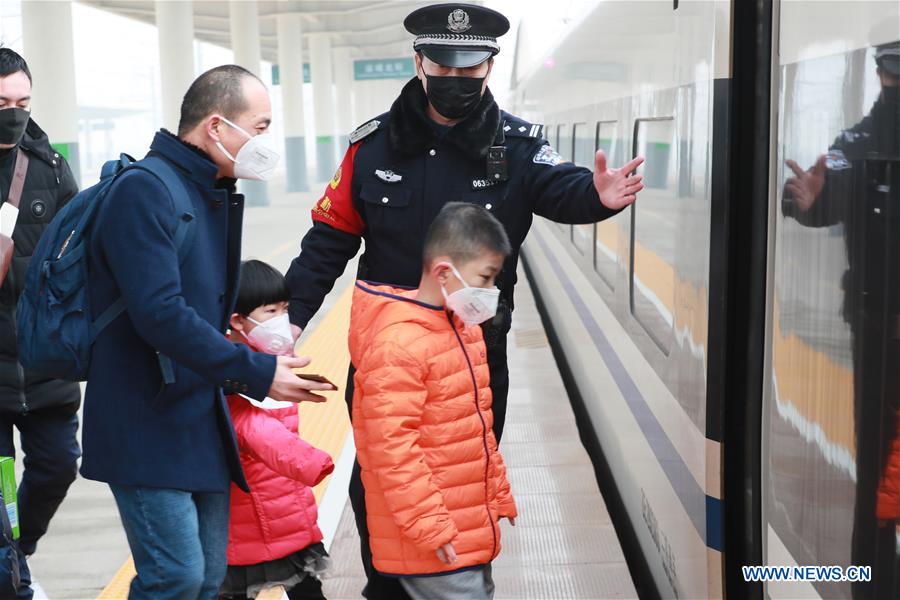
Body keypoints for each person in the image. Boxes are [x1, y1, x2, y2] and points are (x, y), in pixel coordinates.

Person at [284, 4, 644, 596]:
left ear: (489, 68)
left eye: (469, 70)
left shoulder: (520, 145)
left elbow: (565, 190)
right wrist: (292, 320)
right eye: (443, 67)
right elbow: (329, 239)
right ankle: (388, 586)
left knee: (465, 479)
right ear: (419, 62)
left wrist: (598, 197)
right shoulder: (372, 149)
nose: (456, 81)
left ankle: (465, 579)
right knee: (378, 479)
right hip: (386, 354)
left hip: (476, 354)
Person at [80, 65, 334, 600]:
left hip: (198, 414)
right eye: (260, 127)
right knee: (175, 577)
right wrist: (257, 372)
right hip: (144, 420)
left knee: (210, 578)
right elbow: (160, 314)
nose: (266, 141)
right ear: (218, 127)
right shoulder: (145, 191)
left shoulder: (208, 189)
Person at [349, 203, 517, 600]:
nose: (490, 292)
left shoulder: (462, 330)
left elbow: (475, 428)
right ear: (444, 272)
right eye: (485, 278)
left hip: (466, 523)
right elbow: (393, 450)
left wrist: (497, 493)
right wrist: (429, 524)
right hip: (432, 536)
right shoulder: (398, 345)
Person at [783, 39, 899, 598]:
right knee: (879, 473)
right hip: (881, 331)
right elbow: (828, 198)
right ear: (881, 76)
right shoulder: (855, 144)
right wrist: (806, 204)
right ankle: (871, 582)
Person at [0, 48, 81, 598]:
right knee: (2, 495)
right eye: (1, 102)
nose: (14, 113)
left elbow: (78, 247)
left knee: (57, 468)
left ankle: (16, 554)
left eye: (23, 102)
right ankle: (12, 575)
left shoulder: (49, 166)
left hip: (42, 357)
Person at [220, 260, 334, 600]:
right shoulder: (227, 370)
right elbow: (251, 426)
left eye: (285, 309)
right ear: (237, 320)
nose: (282, 320)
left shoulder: (278, 363)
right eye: (271, 310)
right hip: (244, 518)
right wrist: (309, 460)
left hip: (288, 511)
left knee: (308, 592)